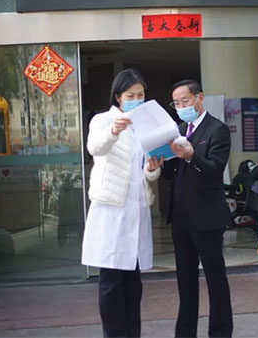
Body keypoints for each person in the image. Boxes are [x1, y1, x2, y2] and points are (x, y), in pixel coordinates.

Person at [81, 69, 163, 338]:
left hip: (136, 207)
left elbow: (146, 170)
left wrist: (152, 169)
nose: (136, 100)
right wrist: (114, 131)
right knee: (111, 280)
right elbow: (95, 148)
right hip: (111, 208)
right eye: (131, 95)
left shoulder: (145, 124)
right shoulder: (103, 120)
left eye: (140, 95)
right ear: (118, 97)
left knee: (132, 281)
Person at [164, 80, 233, 337]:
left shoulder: (217, 129)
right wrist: (159, 162)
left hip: (206, 216)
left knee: (215, 278)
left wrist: (192, 156)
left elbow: (215, 169)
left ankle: (220, 332)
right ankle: (185, 332)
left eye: (185, 101)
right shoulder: (179, 129)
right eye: (176, 103)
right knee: (185, 278)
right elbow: (172, 173)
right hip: (180, 215)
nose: (181, 107)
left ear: (199, 98)